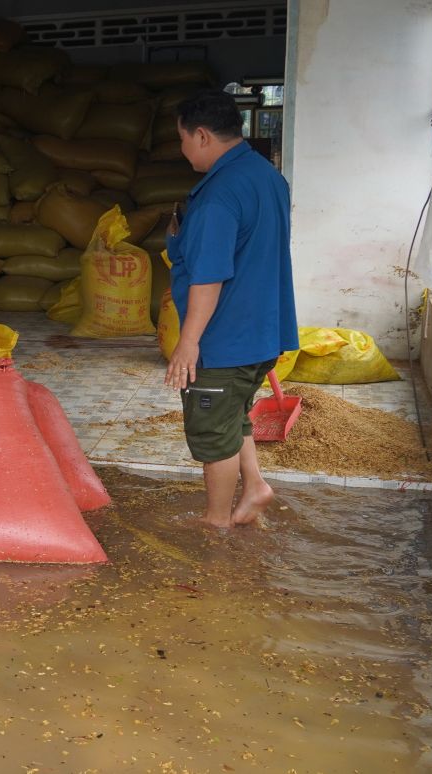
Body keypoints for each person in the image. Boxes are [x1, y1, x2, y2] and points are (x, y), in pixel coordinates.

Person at [163, 89, 299, 528]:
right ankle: (255, 486)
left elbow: (209, 276)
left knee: (212, 433)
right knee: (232, 413)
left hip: (226, 338)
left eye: (183, 140)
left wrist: (188, 343)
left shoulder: (219, 195)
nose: (183, 151)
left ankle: (216, 522)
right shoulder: (266, 175)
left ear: (202, 135)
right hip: (262, 332)